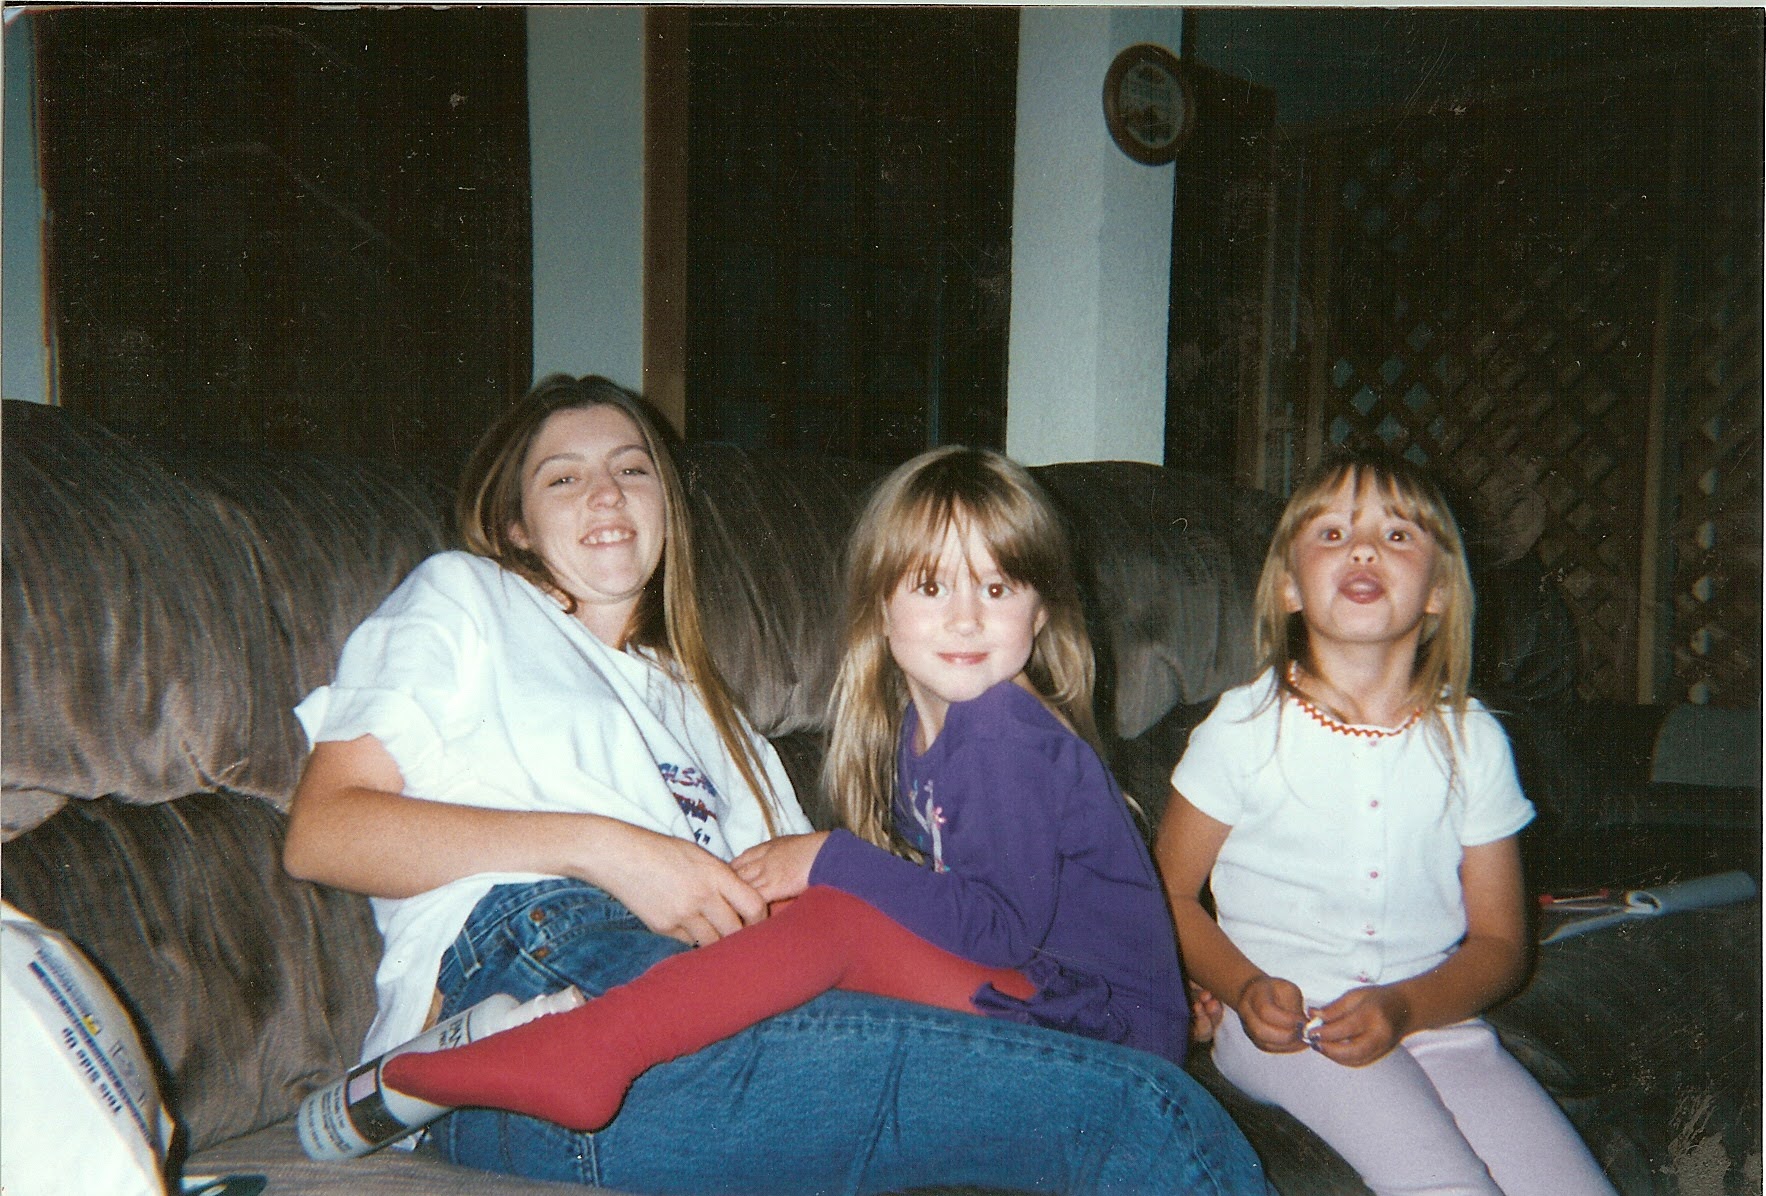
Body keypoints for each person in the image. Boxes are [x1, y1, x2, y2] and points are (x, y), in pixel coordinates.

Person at [284, 375, 1269, 1195]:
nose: (605, 494)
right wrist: (606, 847)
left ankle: (484, 1078)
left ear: (669, 507)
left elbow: (835, 925)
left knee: (1106, 1098)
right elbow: (322, 832)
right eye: (564, 476)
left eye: (632, 469)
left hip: (697, 1009)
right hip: (547, 947)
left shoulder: (720, 715)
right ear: (513, 524)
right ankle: (523, 1058)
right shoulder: (468, 595)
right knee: (1142, 1110)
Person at [379, 444, 1191, 1132]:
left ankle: (594, 1048)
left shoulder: (1005, 731)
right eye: (931, 586)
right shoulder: (922, 736)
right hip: (1056, 1005)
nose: (966, 617)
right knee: (822, 913)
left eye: (999, 587)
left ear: (1041, 612)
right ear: (882, 605)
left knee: (837, 913)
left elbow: (999, 930)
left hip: (1108, 1032)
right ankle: (593, 1039)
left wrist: (832, 857)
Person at [1155, 449, 1617, 1196]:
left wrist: (1405, 1008)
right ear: (1288, 585)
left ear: (1439, 590)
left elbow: (1501, 943)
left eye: (1398, 535)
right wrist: (1242, 988)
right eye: (1332, 534)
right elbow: (1165, 894)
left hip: (1437, 1022)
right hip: (1290, 1029)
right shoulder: (1241, 729)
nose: (1364, 549)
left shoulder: (1473, 741)